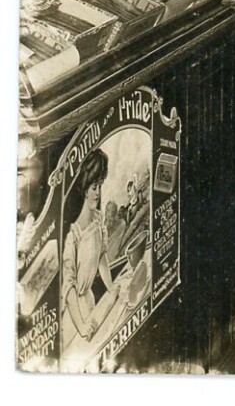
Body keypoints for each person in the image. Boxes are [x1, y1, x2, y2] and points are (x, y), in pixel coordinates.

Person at [60, 147, 134, 367]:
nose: (98, 193)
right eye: (94, 187)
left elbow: (102, 254)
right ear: (84, 188)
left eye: (100, 186)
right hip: (74, 316)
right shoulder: (73, 235)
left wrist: (111, 286)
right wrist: (81, 325)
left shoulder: (99, 219)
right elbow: (69, 287)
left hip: (91, 302)